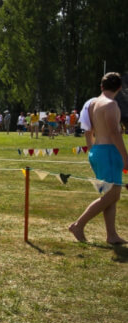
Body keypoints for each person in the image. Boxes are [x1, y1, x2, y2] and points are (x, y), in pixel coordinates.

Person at [69, 73, 128, 245]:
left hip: (98, 151)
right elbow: (114, 133)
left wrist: (91, 149)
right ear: (119, 88)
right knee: (112, 196)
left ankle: (111, 235)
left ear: (102, 86)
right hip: (109, 152)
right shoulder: (111, 105)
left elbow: (88, 129)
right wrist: (125, 156)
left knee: (109, 195)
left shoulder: (92, 103)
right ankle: (78, 225)